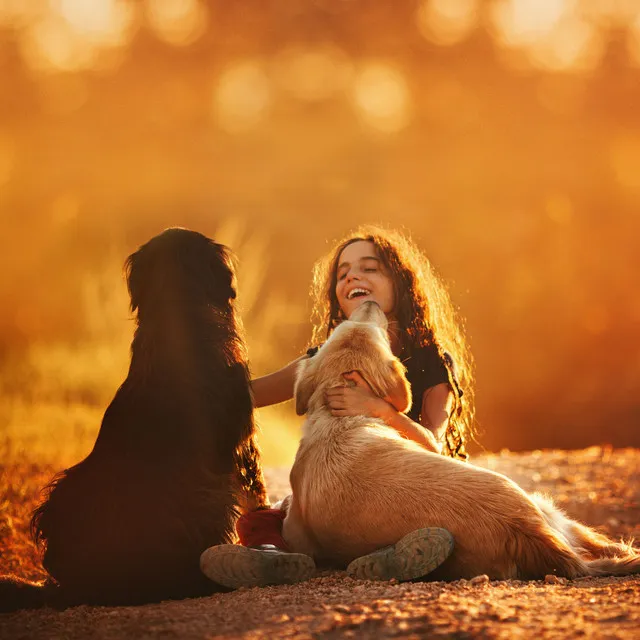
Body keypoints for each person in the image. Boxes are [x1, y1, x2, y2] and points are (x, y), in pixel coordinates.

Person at [200, 226, 475, 588]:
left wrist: (379, 408)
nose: (353, 276)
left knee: (436, 528)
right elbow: (245, 397)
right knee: (265, 519)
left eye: (369, 268)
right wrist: (193, 367)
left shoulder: (431, 363)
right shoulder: (323, 360)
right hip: (335, 500)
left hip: (398, 494)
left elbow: (434, 446)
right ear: (337, 298)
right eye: (343, 273)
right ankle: (272, 555)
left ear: (401, 283)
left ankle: (386, 556)